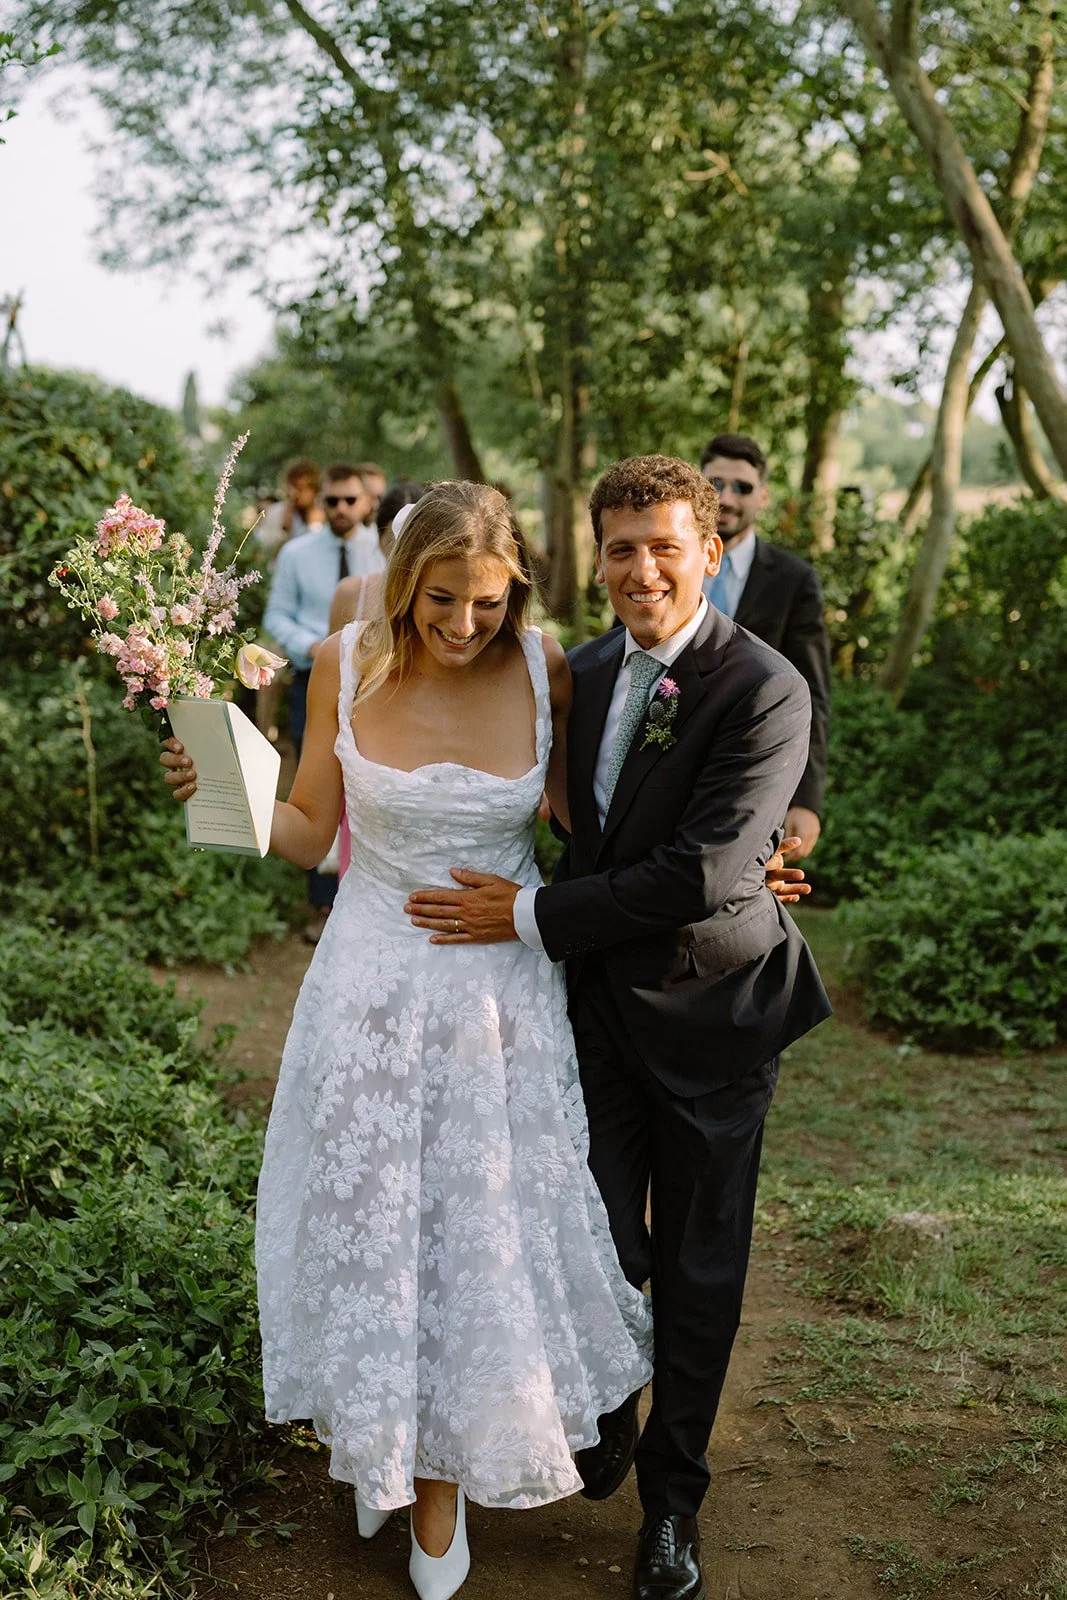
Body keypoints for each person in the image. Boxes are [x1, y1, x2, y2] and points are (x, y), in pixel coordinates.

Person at [160, 482, 655, 1600]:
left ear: (514, 589)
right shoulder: (346, 662)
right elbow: (302, 831)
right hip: (371, 987)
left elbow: (590, 825)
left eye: (487, 602)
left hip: (500, 1002)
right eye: (442, 599)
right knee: (377, 1224)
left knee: (476, 1233)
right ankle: (381, 1436)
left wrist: (735, 841)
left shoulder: (547, 671)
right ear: (402, 584)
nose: (465, 623)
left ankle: (439, 1488)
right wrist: (219, 783)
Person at [405, 456, 831, 1600]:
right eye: (621, 547)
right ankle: (603, 1406)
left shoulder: (762, 686)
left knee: (697, 1268)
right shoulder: (580, 671)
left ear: (706, 547)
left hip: (713, 1018)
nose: (641, 567)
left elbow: (699, 870)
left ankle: (672, 1507)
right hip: (588, 1014)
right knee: (590, 1238)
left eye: (663, 545)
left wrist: (530, 913)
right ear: (595, 557)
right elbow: (448, 713)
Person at [264, 464, 386, 940]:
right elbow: (278, 614)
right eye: (331, 501)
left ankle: (363, 893)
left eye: (349, 501)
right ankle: (321, 906)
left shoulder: (385, 555)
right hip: (312, 679)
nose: (340, 509)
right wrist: (315, 647)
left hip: (377, 684)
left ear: (366, 504)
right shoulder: (297, 553)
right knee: (316, 787)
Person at [698, 433, 830, 862]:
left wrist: (806, 798)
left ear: (764, 497)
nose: (727, 498)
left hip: (754, 768)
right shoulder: (660, 563)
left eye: (742, 488)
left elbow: (812, 693)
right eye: (715, 484)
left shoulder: (793, 581)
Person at [328, 479, 426, 636]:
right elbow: (332, 657)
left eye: (415, 543)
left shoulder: (445, 602)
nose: (403, 554)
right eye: (392, 542)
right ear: (379, 539)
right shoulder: (349, 593)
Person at [254, 458, 324, 563]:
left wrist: (315, 526)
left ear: (314, 490)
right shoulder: (275, 512)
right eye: (291, 487)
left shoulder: (326, 515)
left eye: (300, 488)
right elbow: (265, 554)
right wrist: (284, 531)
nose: (293, 494)